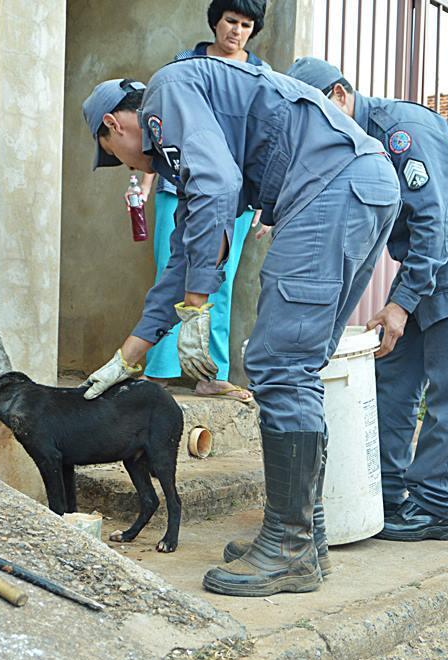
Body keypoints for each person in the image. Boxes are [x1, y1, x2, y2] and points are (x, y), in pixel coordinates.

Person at [80, 56, 400, 597]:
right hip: (356, 185)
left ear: (113, 126)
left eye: (115, 156)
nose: (134, 169)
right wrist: (127, 356)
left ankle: (288, 546)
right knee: (296, 366)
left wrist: (197, 308)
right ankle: (305, 537)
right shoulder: (192, 127)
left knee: (278, 364)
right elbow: (185, 253)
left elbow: (220, 185)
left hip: (330, 188)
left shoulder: (167, 93)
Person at [285, 57, 448, 541]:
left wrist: (402, 301)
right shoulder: (354, 147)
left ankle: (435, 509)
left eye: (318, 116)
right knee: (392, 374)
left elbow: (436, 222)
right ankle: (387, 493)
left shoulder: (402, 130)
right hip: (426, 266)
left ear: (340, 95)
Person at [137, 0, 270, 404]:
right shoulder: (183, 64)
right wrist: (144, 181)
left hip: (235, 196)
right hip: (176, 186)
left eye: (247, 25)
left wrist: (265, 199)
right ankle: (157, 371)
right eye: (231, 21)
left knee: (220, 280)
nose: (237, 31)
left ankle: (211, 373)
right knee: (170, 273)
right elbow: (157, 127)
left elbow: (262, 140)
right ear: (216, 22)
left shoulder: (259, 74)